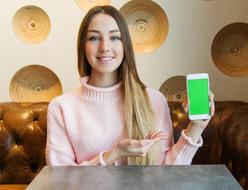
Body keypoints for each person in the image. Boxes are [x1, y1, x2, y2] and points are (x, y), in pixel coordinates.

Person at [46, 5, 215, 166]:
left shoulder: (154, 100)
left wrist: (196, 128)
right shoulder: (61, 107)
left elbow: (167, 173)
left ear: (125, 45)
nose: (105, 47)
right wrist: (114, 154)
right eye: (94, 38)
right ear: (83, 47)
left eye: (115, 37)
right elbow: (61, 179)